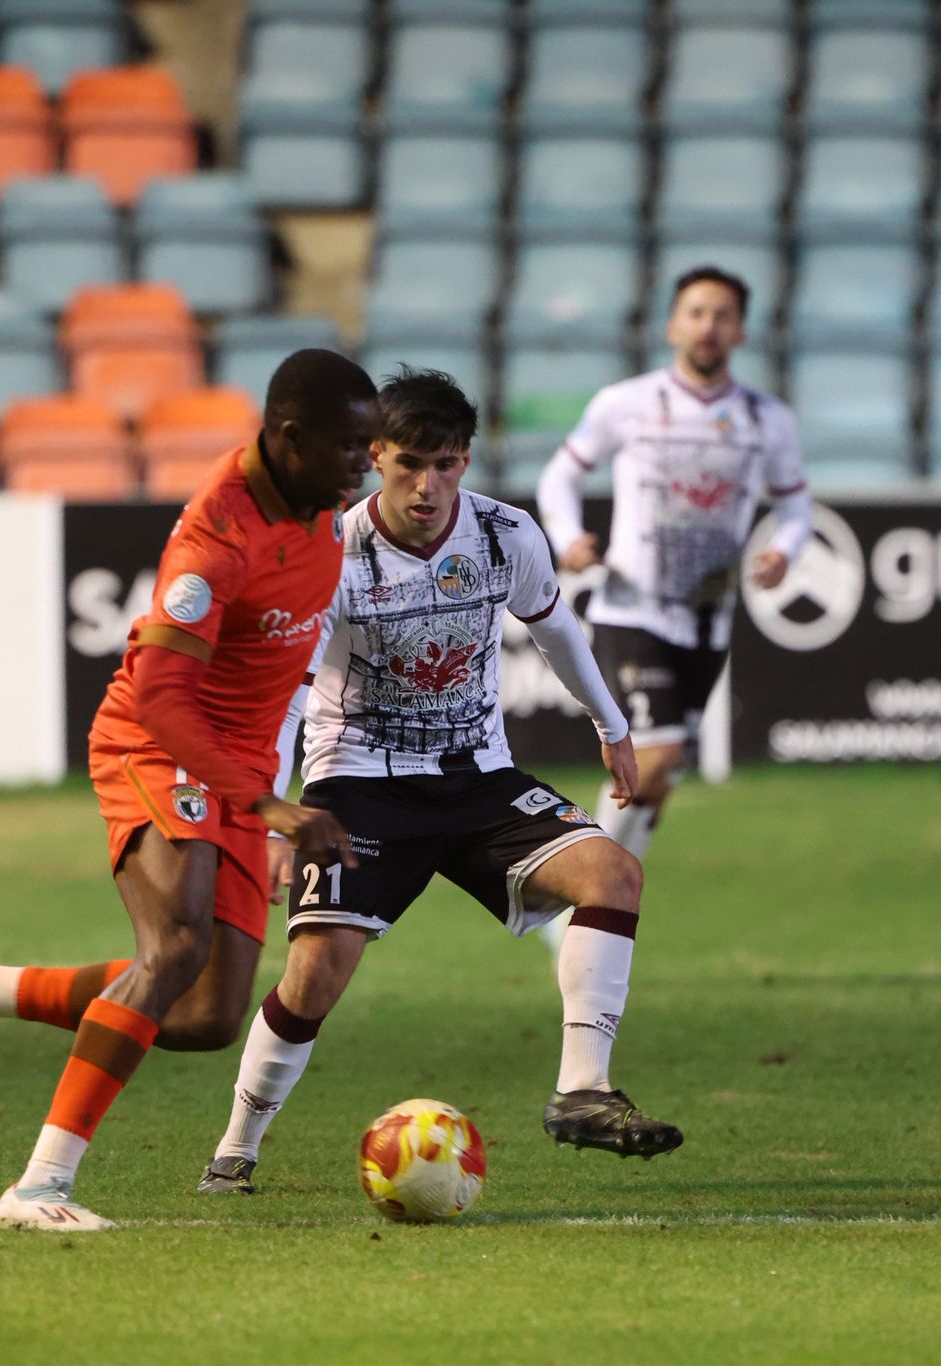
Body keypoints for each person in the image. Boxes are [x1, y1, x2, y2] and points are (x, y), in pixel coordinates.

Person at [0, 348, 380, 1232]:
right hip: (160, 747)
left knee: (206, 1015)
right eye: (349, 448)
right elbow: (159, 695)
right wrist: (266, 807)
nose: (363, 465)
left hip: (242, 773)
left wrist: (269, 795)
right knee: (175, 944)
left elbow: (290, 672)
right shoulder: (213, 542)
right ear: (291, 438)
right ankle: (38, 1187)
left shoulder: (322, 513)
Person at [194, 366, 682, 1197]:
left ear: (467, 459)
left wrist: (613, 725)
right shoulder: (329, 554)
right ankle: (236, 1146)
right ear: (375, 455)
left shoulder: (504, 534)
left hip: (476, 777)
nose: (428, 486)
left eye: (446, 463)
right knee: (317, 972)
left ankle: (581, 1093)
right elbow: (286, 694)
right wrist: (275, 816)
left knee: (615, 874)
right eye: (409, 463)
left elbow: (555, 626)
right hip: (359, 783)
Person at [533, 266, 814, 948]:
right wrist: (568, 538)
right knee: (652, 759)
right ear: (672, 325)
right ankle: (581, 897)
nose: (708, 325)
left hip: (709, 618)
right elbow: (560, 475)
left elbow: (796, 505)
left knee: (658, 782)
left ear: (740, 331)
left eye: (722, 315)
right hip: (633, 609)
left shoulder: (765, 419)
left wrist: (786, 551)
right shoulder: (626, 403)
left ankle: (595, 896)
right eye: (696, 312)